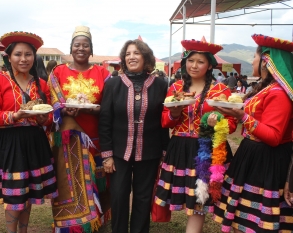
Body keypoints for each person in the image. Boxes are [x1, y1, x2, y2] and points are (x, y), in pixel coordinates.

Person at [154, 39, 237, 233]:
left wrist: (218, 122)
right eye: (191, 61)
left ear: (209, 66)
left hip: (207, 149)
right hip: (181, 148)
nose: (194, 65)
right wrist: (174, 114)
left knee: (200, 202)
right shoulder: (175, 89)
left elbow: (231, 124)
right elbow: (165, 121)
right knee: (190, 199)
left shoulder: (221, 91)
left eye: (200, 61)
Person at [213, 34, 293, 232]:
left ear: (266, 61)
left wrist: (242, 116)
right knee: (244, 220)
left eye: (255, 58)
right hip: (252, 156)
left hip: (267, 161)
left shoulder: (278, 94)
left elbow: (274, 137)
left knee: (256, 223)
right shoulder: (266, 89)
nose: (252, 61)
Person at [0, 31, 58, 233]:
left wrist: (44, 119)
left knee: (28, 192)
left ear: (34, 57)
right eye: (18, 54)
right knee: (15, 194)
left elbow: (48, 114)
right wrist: (14, 116)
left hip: (34, 142)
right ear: (9, 57)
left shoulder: (41, 84)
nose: (23, 59)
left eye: (28, 54)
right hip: (8, 143)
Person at [99, 39, 168, 233]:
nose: (131, 57)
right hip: (119, 152)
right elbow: (105, 121)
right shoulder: (113, 84)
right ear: (123, 58)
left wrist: (164, 150)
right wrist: (107, 154)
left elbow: (164, 122)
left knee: (143, 197)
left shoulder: (161, 85)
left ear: (146, 57)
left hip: (149, 152)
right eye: (128, 54)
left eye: (136, 53)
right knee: (119, 196)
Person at [48, 26, 111, 232]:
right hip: (69, 140)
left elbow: (110, 105)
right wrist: (66, 111)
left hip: (97, 139)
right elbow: (53, 103)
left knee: (100, 184)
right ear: (71, 48)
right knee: (70, 183)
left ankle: (98, 222)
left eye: (85, 45)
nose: (81, 48)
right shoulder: (58, 72)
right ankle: (73, 226)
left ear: (91, 49)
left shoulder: (103, 73)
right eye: (77, 45)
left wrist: (94, 111)